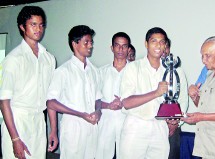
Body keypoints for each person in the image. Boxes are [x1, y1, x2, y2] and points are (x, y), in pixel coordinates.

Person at [119, 27, 187, 159]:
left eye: (162, 42)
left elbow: (178, 99)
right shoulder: (133, 67)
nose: (158, 45)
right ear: (146, 44)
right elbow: (126, 102)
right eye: (154, 41)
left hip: (160, 127)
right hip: (136, 126)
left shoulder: (169, 70)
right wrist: (156, 93)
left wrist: (174, 120)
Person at [0, 6, 56, 159]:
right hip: (18, 121)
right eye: (33, 24)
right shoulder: (13, 59)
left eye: (41, 24)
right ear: (22, 27)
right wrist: (15, 139)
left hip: (38, 121)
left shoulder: (48, 59)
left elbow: (51, 98)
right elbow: (4, 102)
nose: (38, 29)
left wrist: (53, 130)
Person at [46, 25, 101, 159]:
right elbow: (51, 103)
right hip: (73, 127)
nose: (90, 46)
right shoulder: (63, 72)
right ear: (75, 44)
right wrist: (54, 130)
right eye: (86, 42)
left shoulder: (94, 71)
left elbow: (98, 98)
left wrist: (98, 111)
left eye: (91, 42)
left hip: (92, 127)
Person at [95, 32, 131, 159]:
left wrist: (125, 103)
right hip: (106, 121)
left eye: (124, 46)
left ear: (129, 49)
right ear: (112, 48)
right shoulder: (101, 72)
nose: (120, 49)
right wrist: (109, 105)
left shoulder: (135, 72)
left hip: (128, 122)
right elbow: (94, 100)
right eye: (117, 45)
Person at [163, 38, 188, 159]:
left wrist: (176, 122)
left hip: (173, 125)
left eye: (166, 46)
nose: (163, 49)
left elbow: (183, 99)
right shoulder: (145, 70)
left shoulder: (178, 71)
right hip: (150, 126)